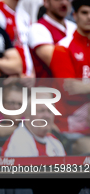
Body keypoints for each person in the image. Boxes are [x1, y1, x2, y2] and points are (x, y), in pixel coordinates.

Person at [49, 0, 90, 154]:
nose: (89, 17)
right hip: (68, 121)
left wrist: (85, 87)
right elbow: (69, 91)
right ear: (75, 16)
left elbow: (78, 88)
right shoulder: (63, 47)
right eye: (84, 13)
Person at [1, 92, 65, 157]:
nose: (47, 115)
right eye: (41, 111)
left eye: (50, 111)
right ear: (28, 114)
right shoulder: (19, 141)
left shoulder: (55, 142)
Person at [28, 0, 76, 79]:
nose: (64, 3)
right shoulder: (37, 28)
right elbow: (58, 62)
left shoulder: (74, 27)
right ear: (46, 2)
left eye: (67, 0)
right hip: (48, 88)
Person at [0, 0, 34, 79]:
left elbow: (29, 49)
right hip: (9, 80)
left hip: (29, 78)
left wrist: (33, 74)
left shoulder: (25, 15)